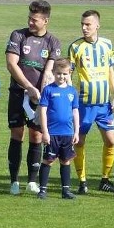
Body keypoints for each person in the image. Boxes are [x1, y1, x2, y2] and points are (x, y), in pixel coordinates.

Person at [5, 0, 61, 195]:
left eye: (34, 19)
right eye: (29, 18)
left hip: (39, 97)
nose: (30, 22)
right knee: (17, 133)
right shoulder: (18, 35)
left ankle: (32, 181)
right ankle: (14, 181)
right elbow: (12, 64)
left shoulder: (53, 42)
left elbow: (49, 71)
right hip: (18, 92)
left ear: (45, 20)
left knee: (37, 135)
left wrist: (41, 95)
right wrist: (28, 87)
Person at [68, 10, 114, 195]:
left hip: (104, 105)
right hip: (83, 104)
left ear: (97, 25)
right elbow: (69, 75)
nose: (84, 27)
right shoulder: (75, 47)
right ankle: (82, 181)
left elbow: (110, 70)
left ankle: (105, 179)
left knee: (111, 141)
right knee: (79, 142)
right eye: (82, 24)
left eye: (88, 24)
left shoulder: (107, 44)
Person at [38, 58, 80, 200]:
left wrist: (76, 131)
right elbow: (42, 111)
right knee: (48, 160)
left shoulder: (72, 92)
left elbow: (75, 112)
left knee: (66, 160)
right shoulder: (48, 90)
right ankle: (42, 190)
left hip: (67, 133)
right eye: (58, 73)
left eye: (64, 74)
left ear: (69, 73)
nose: (61, 77)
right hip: (52, 133)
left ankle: (65, 190)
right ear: (53, 73)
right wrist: (45, 132)